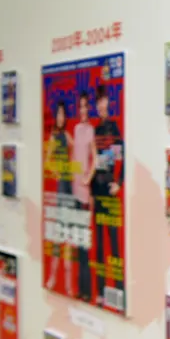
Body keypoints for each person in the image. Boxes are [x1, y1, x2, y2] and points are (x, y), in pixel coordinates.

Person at [92, 85, 124, 307]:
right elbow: (94, 162)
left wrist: (118, 183)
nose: (101, 105)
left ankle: (119, 291)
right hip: (97, 190)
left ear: (108, 104)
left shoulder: (114, 128)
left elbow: (123, 157)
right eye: (98, 102)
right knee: (99, 244)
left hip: (110, 193)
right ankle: (101, 292)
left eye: (104, 101)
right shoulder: (95, 130)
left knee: (113, 243)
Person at [45, 101, 75, 296]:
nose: (61, 118)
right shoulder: (54, 137)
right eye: (58, 114)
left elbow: (77, 151)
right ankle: (53, 277)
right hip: (61, 188)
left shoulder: (67, 135)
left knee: (69, 235)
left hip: (70, 187)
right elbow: (48, 161)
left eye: (63, 114)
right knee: (58, 235)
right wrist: (57, 172)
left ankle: (68, 284)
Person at [72, 91, 96, 301]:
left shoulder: (90, 130)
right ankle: (79, 289)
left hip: (84, 191)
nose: (83, 110)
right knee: (77, 241)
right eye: (80, 106)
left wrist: (89, 178)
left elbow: (95, 158)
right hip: (73, 188)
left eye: (85, 106)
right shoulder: (76, 128)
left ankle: (87, 291)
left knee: (85, 243)